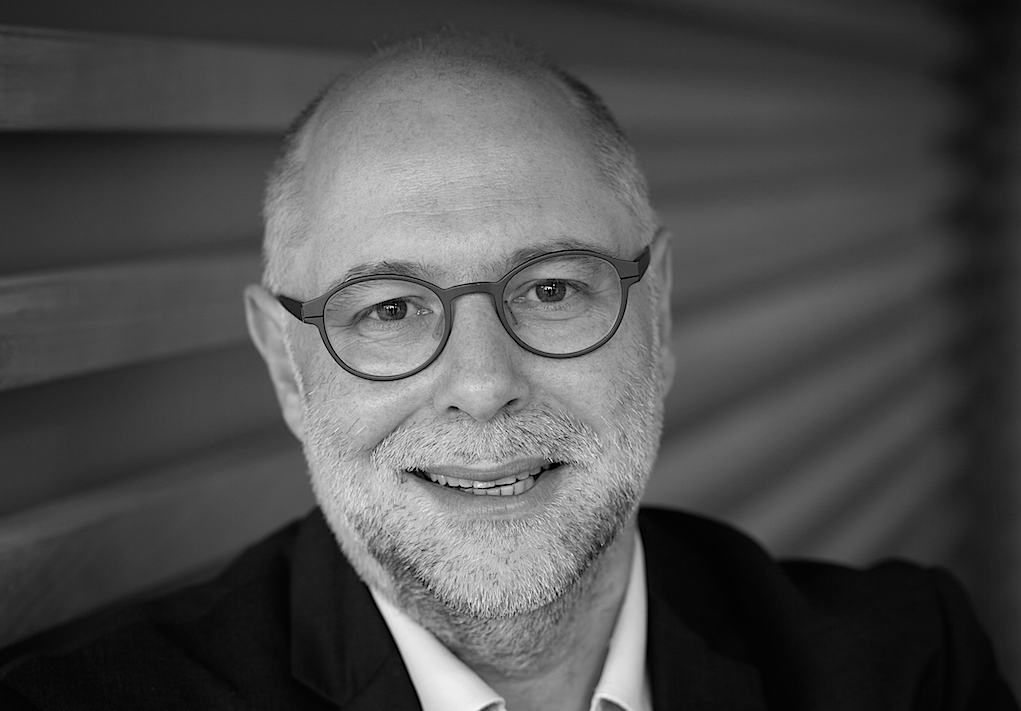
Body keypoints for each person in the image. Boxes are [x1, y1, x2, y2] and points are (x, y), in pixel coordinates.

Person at [1, 31, 1017, 711]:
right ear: (286, 364)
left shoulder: (902, 665)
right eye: (389, 309)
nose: (483, 383)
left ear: (656, 313)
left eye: (551, 289)